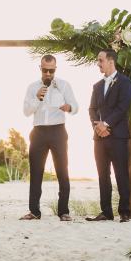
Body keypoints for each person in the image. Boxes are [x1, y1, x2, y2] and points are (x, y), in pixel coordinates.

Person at [20, 55, 78, 221]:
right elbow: (26, 111)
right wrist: (36, 98)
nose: (48, 73)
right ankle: (34, 211)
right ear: (40, 68)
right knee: (36, 173)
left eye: (51, 70)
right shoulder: (32, 88)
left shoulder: (64, 85)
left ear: (55, 69)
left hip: (58, 131)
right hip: (38, 132)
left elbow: (76, 107)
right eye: (45, 70)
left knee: (62, 171)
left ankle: (63, 211)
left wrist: (69, 107)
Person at [87, 50, 131, 223]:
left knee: (121, 173)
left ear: (111, 61)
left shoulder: (125, 82)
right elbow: (91, 109)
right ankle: (106, 211)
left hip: (118, 136)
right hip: (99, 137)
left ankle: (125, 212)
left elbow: (123, 107)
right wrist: (97, 125)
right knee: (102, 174)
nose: (98, 63)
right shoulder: (97, 86)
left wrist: (106, 124)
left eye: (100, 60)